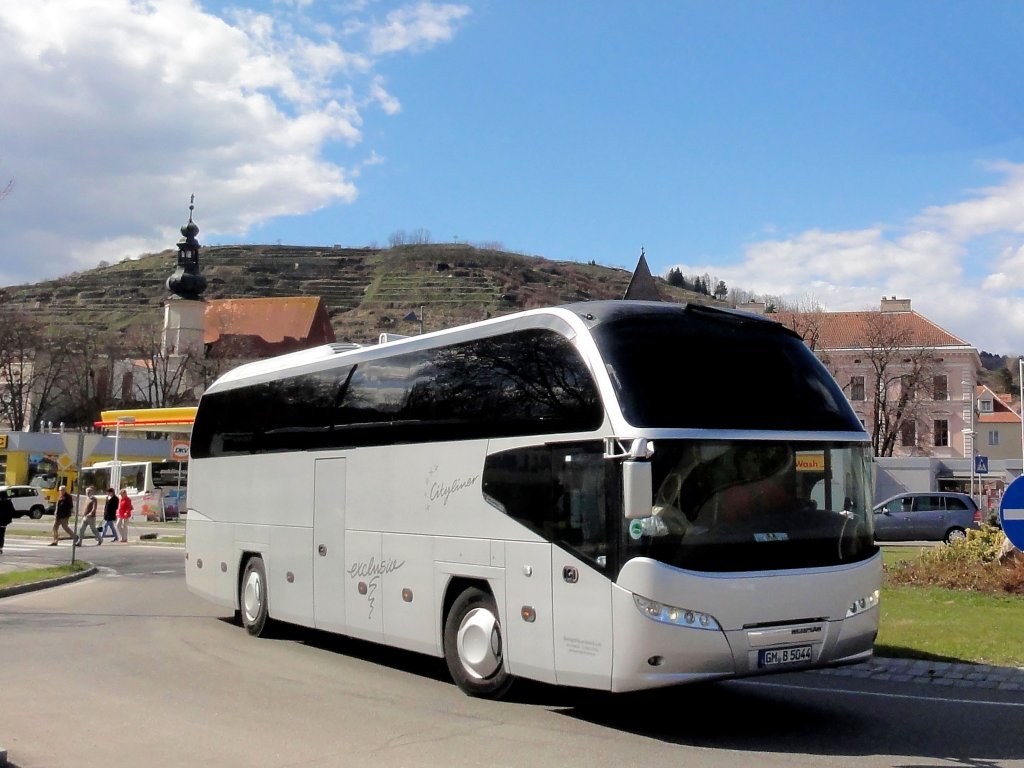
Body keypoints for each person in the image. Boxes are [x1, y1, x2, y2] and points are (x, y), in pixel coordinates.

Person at [0, 489, 14, 555]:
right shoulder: (8, 502)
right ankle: (0, 547)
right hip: (4, 522)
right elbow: (12, 511)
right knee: (2, 535)